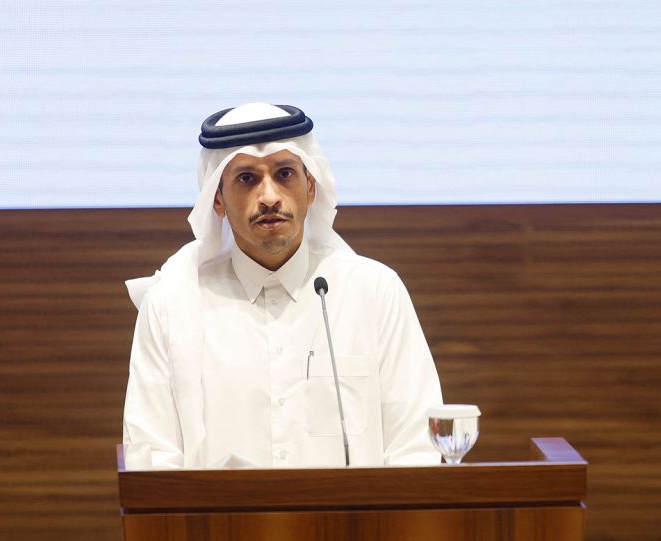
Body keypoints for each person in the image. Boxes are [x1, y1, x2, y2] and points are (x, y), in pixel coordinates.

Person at [122, 103, 443, 469]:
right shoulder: (172, 305)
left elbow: (416, 447)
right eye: (247, 179)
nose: (270, 196)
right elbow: (151, 456)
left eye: (285, 173)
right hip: (217, 527)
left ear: (310, 188)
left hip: (354, 527)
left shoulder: (373, 293)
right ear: (217, 200)